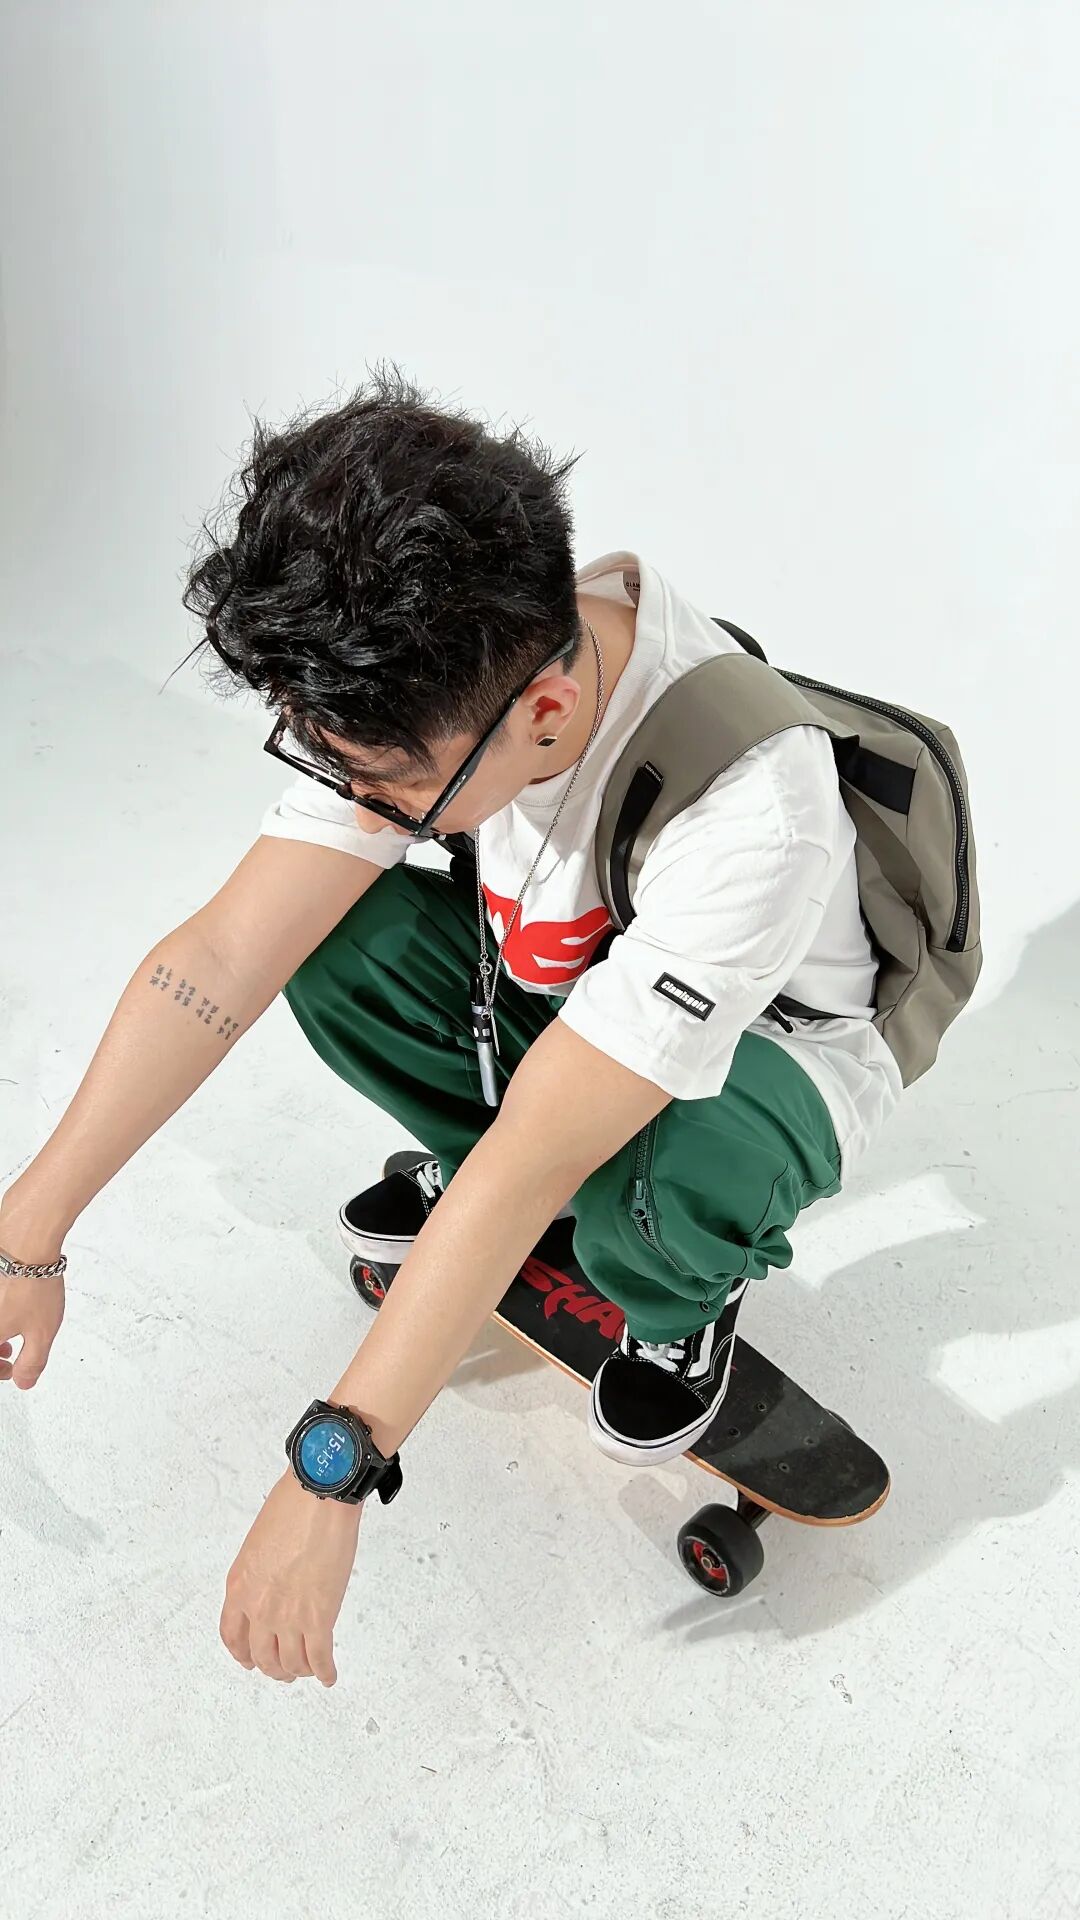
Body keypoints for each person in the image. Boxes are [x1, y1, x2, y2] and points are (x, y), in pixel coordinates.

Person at [0, 368, 902, 1684]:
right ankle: (497, 1201)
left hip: (773, 1057)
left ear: (546, 716)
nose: (350, 795)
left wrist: (337, 1466)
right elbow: (222, 957)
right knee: (326, 938)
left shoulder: (755, 812)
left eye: (380, 782)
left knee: (649, 1187)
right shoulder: (438, 668)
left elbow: (537, 1146)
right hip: (570, 991)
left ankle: (678, 1296)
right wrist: (26, 1234)